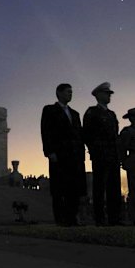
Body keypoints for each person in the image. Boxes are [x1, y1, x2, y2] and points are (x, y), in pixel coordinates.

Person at [41, 83, 87, 226]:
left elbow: (80, 135)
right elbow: (46, 131)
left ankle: (72, 218)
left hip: (74, 156)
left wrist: (81, 155)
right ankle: (61, 219)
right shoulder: (49, 110)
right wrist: (50, 152)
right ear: (59, 93)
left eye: (71, 92)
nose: (70, 94)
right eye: (68, 92)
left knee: (73, 189)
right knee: (59, 188)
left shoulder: (75, 114)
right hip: (59, 155)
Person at [83, 82, 121, 225]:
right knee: (99, 187)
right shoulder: (92, 112)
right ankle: (99, 218)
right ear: (98, 95)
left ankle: (114, 218)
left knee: (114, 188)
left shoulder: (111, 114)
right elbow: (87, 134)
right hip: (100, 154)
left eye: (109, 94)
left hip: (113, 155)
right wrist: (95, 151)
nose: (109, 96)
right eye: (106, 93)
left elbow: (115, 136)